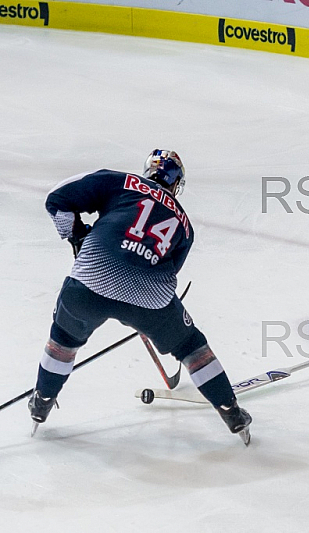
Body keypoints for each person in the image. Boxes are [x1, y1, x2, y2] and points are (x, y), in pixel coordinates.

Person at [30, 150, 252, 445]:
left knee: (63, 339)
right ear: (176, 184)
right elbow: (170, 271)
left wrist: (78, 236)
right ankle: (231, 411)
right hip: (149, 299)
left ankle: (42, 401)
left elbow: (56, 200)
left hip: (90, 282)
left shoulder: (119, 182)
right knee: (191, 347)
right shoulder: (184, 224)